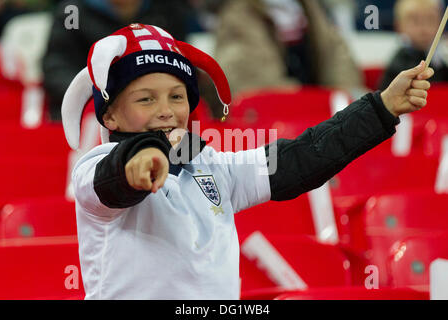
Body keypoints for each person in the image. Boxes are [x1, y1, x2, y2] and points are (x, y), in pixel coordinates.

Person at [61, 23, 434, 299]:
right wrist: (142, 158)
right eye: (145, 99)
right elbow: (115, 178)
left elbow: (298, 160)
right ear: (109, 117)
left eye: (177, 96)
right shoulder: (94, 167)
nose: (166, 111)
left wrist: (382, 107)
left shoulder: (208, 164)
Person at [42, 0, 193, 121]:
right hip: (87, 114)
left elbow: (182, 62)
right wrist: (100, 98)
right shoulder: (72, 11)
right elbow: (56, 67)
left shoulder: (169, 8)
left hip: (160, 114)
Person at [210, 0, 365, 113]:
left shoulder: (308, 8)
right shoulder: (238, 16)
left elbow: (337, 59)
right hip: (277, 128)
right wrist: (318, 104)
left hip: (320, 117)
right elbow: (258, 88)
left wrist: (346, 96)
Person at [380, 0, 448, 90]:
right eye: (415, 21)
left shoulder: (442, 57)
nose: (424, 29)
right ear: (398, 26)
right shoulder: (399, 62)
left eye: (431, 20)